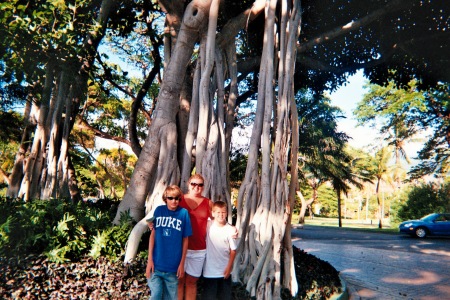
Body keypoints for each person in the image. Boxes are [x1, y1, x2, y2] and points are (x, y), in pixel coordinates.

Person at [146, 185, 192, 300]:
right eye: (170, 198)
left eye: (177, 198)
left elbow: (185, 239)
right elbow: (153, 235)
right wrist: (149, 260)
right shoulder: (159, 210)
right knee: (156, 295)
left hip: (173, 268)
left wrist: (182, 264)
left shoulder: (183, 213)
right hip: (156, 265)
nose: (174, 201)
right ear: (165, 198)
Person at [177, 174, 213, 300]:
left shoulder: (208, 203)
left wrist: (231, 229)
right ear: (188, 184)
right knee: (179, 280)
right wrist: (151, 223)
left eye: (200, 185)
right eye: (193, 184)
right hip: (179, 248)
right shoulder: (179, 200)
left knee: (192, 282)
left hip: (199, 249)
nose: (196, 187)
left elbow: (219, 219)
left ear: (203, 187)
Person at [201, 200, 237, 300]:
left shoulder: (230, 230)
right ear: (212, 213)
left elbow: (233, 250)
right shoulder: (208, 225)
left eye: (223, 212)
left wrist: (229, 268)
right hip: (209, 271)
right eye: (218, 212)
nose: (221, 215)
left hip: (224, 271)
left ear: (227, 213)